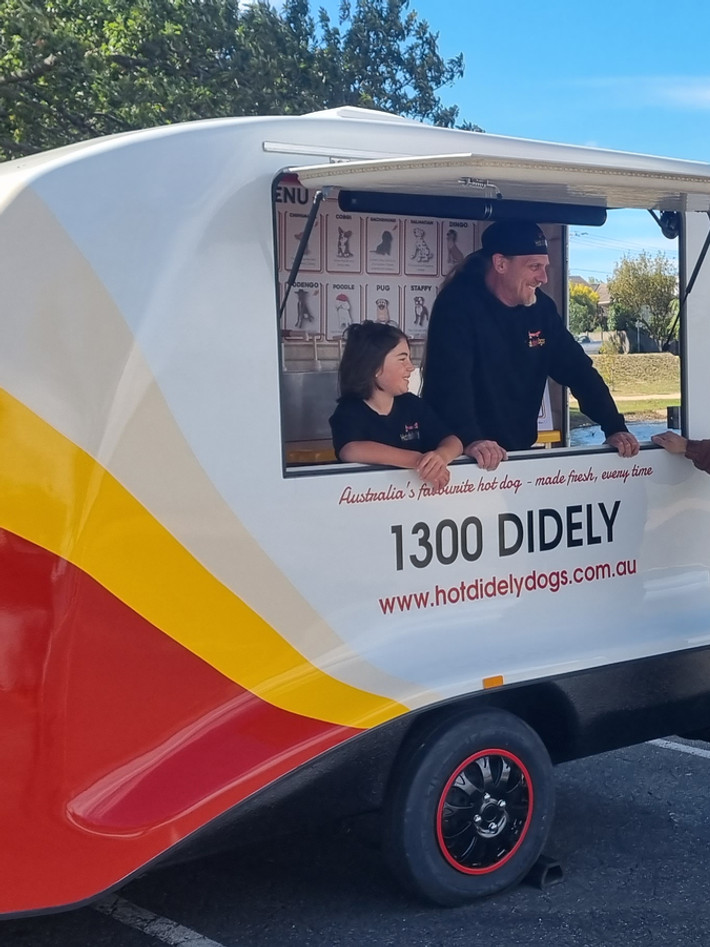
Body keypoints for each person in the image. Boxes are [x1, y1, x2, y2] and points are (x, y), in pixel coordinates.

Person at [421, 220, 639, 471]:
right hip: (460, 459)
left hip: (516, 453)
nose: (543, 278)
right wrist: (472, 440)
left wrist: (614, 427)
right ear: (500, 263)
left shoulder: (541, 309)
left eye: (545, 267)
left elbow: (578, 370)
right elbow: (451, 384)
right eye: (534, 266)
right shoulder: (457, 305)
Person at [330, 321, 462, 489]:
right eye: (402, 359)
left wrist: (440, 457)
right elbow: (351, 450)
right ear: (375, 367)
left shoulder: (412, 405)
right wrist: (417, 460)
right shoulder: (349, 411)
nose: (410, 367)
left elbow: (453, 441)